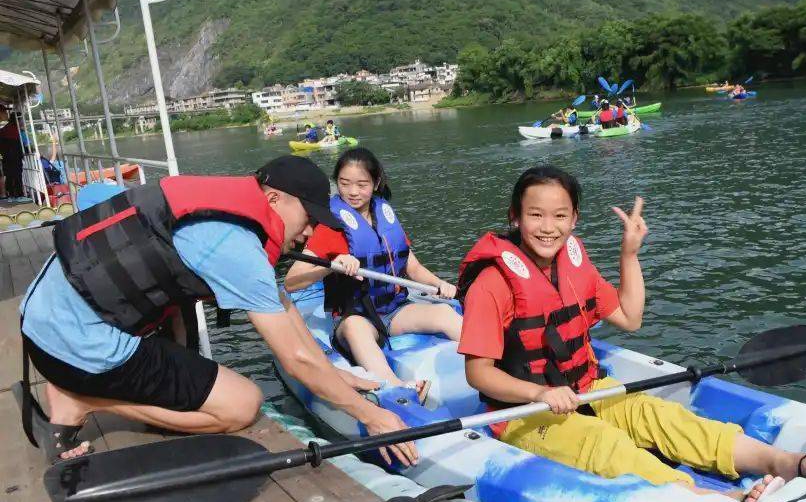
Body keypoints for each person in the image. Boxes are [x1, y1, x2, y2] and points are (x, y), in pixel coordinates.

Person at [455, 166, 806, 502]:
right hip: (526, 414)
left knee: (663, 417)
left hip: (591, 389)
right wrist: (540, 393)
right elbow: (479, 373)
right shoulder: (493, 284)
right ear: (516, 218)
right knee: (606, 446)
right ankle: (716, 500)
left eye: (559, 216)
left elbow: (630, 317)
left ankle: (786, 463)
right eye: (535, 215)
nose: (548, 226)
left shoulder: (574, 266)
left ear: (574, 220)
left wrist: (629, 254)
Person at [17, 155, 417, 466]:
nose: (311, 231)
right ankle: (82, 400)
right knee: (242, 404)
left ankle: (82, 384)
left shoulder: (218, 207)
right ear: (274, 198)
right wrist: (373, 415)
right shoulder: (236, 247)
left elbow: (282, 307)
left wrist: (335, 375)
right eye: (309, 217)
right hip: (76, 345)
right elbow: (295, 359)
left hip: (46, 319)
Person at [284, 147, 462, 395]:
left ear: (376, 183)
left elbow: (413, 267)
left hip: (395, 310)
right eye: (345, 184)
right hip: (355, 317)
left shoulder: (384, 217)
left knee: (443, 313)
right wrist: (333, 264)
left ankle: (496, 363)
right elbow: (292, 282)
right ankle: (396, 388)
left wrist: (439, 284)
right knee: (356, 329)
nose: (353, 192)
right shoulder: (332, 227)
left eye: (362, 184)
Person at [0, 104, 28, 201]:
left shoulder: (3, 130)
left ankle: (11, 195)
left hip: (5, 157)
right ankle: (19, 195)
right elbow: (22, 144)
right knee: (17, 175)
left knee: (9, 175)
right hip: (14, 156)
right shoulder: (16, 131)